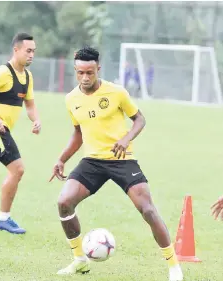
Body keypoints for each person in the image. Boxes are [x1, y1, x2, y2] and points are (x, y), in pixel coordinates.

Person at [50, 47, 183, 281]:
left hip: (122, 159)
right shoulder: (71, 99)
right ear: (75, 70)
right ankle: (80, 260)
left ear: (98, 68)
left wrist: (125, 139)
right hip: (92, 160)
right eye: (80, 73)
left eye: (90, 72)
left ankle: (174, 267)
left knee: (148, 209)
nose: (85, 77)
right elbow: (78, 133)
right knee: (64, 202)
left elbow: (139, 119)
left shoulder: (116, 92)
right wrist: (62, 159)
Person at [0, 32, 41, 234]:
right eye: (28, 51)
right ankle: (4, 219)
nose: (31, 55)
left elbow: (30, 104)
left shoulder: (27, 76)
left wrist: (36, 120)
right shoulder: (2, 72)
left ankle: (3, 219)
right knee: (17, 169)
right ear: (16, 50)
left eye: (34, 51)